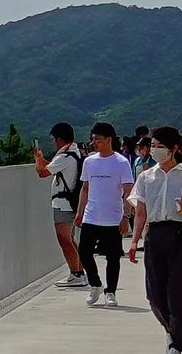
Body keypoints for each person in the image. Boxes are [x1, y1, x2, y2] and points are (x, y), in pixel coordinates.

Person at [134, 124, 182, 354]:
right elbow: (140, 211)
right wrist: (135, 240)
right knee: (154, 293)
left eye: (160, 146)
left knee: (180, 291)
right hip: (154, 235)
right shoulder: (146, 177)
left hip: (180, 234)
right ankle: (172, 331)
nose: (155, 150)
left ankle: (175, 346)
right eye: (153, 145)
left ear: (174, 148)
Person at [75, 123, 134, 306]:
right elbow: (85, 188)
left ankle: (111, 291)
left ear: (109, 140)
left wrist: (126, 216)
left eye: (98, 139)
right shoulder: (89, 161)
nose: (94, 143)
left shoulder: (121, 162)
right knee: (84, 252)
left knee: (113, 257)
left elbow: (128, 191)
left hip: (112, 217)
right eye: (93, 139)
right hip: (91, 215)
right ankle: (95, 284)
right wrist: (80, 212)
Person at [43, 123, 86, 285]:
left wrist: (38, 157)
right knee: (71, 239)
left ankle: (76, 274)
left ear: (60, 139)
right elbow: (53, 167)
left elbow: (42, 172)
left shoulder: (64, 157)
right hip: (73, 202)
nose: (53, 142)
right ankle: (80, 272)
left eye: (54, 139)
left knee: (64, 239)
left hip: (63, 203)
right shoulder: (76, 153)